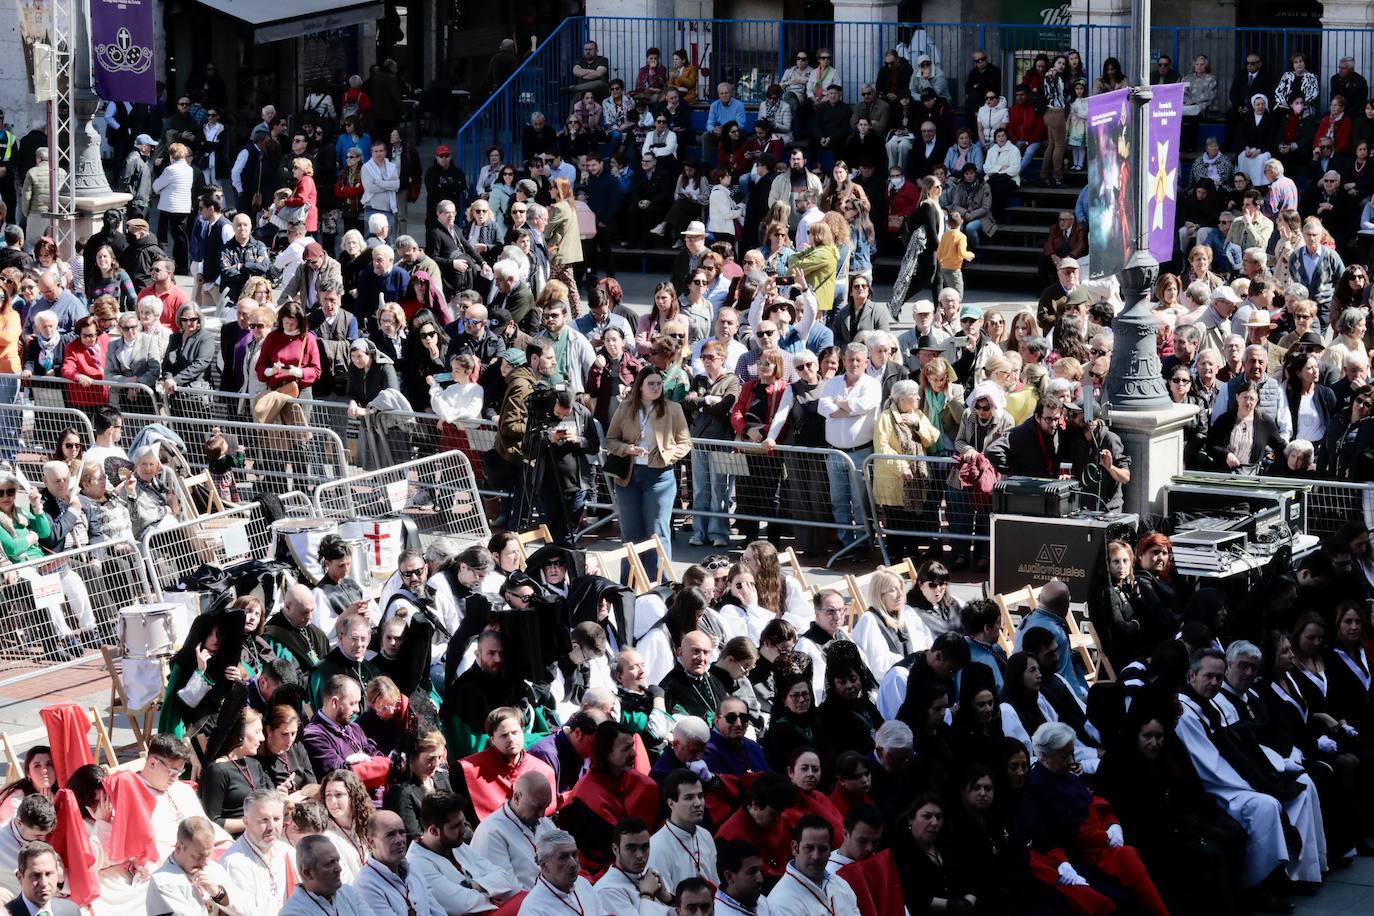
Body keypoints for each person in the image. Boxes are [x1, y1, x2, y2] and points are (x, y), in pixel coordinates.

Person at [146, 816, 244, 915]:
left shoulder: (213, 867)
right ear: (179, 847)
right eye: (198, 856)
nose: (205, 862)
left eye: (208, 855)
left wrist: (217, 893)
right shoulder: (163, 882)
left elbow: (245, 910)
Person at [221, 788, 296, 916]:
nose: (272, 827)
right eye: (264, 820)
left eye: (276, 819)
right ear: (246, 822)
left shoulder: (287, 851)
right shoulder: (235, 863)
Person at [765, 816, 861, 915]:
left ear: (830, 851)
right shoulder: (781, 902)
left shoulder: (841, 885)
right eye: (809, 848)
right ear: (795, 848)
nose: (816, 856)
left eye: (822, 849)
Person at [280, 834, 369, 915]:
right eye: (329, 863)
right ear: (307, 873)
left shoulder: (349, 893)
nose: (339, 869)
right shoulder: (293, 912)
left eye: (337, 861)